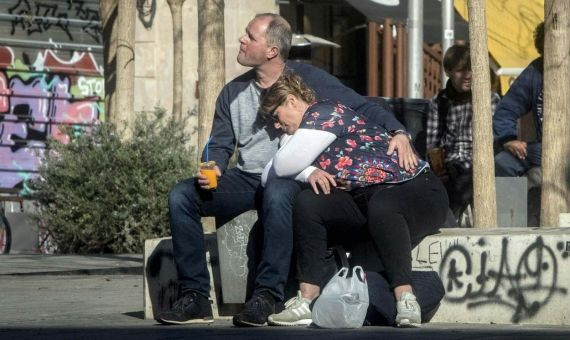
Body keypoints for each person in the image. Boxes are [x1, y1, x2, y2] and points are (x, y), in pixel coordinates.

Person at [157, 13, 417, 327]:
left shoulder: (310, 80)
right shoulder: (231, 93)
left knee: (279, 192)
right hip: (248, 177)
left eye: (250, 36)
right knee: (182, 195)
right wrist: (211, 164)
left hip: (296, 175)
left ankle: (266, 296)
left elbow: (363, 106)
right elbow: (219, 143)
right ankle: (195, 297)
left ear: (271, 51)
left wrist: (398, 132)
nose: (242, 40)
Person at [259, 72, 449, 327]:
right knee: (309, 203)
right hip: (365, 197)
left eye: (275, 116)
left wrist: (299, 167)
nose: (275, 126)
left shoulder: (323, 113)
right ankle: (306, 300)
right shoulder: (300, 134)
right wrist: (309, 171)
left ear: (292, 101)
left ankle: (406, 298)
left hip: (418, 191)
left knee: (382, 205)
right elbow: (268, 174)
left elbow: (281, 165)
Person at [426, 44, 501, 218]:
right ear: (448, 72)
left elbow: (498, 140)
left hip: (480, 164)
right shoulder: (439, 101)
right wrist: (438, 169)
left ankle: (449, 217)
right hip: (451, 165)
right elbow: (433, 144)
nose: (467, 76)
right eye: (460, 71)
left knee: (466, 182)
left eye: (471, 70)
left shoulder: (490, 100)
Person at [493, 22, 544, 178]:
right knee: (502, 163)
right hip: (545, 150)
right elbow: (507, 109)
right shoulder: (536, 71)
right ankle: (512, 203)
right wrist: (508, 139)